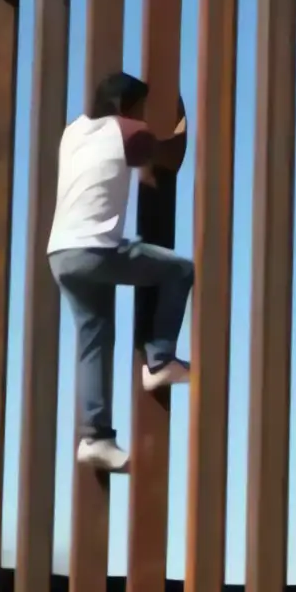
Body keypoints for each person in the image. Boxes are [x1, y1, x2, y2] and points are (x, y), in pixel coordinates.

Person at [45, 71, 193, 473]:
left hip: (61, 253)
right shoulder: (129, 132)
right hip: (96, 250)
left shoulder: (74, 131)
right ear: (128, 107)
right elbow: (170, 156)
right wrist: (182, 117)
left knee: (94, 337)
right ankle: (160, 361)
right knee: (180, 271)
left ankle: (95, 436)